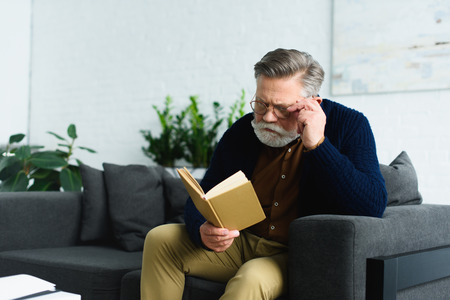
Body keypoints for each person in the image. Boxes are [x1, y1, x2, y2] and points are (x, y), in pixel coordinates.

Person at [140, 48, 387, 300]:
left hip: (296, 252)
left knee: (253, 276)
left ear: (312, 104)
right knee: (160, 239)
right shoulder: (242, 132)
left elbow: (371, 206)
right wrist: (201, 228)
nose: (267, 117)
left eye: (281, 108)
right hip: (241, 242)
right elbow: (205, 193)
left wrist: (318, 145)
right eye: (261, 103)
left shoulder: (350, 125)